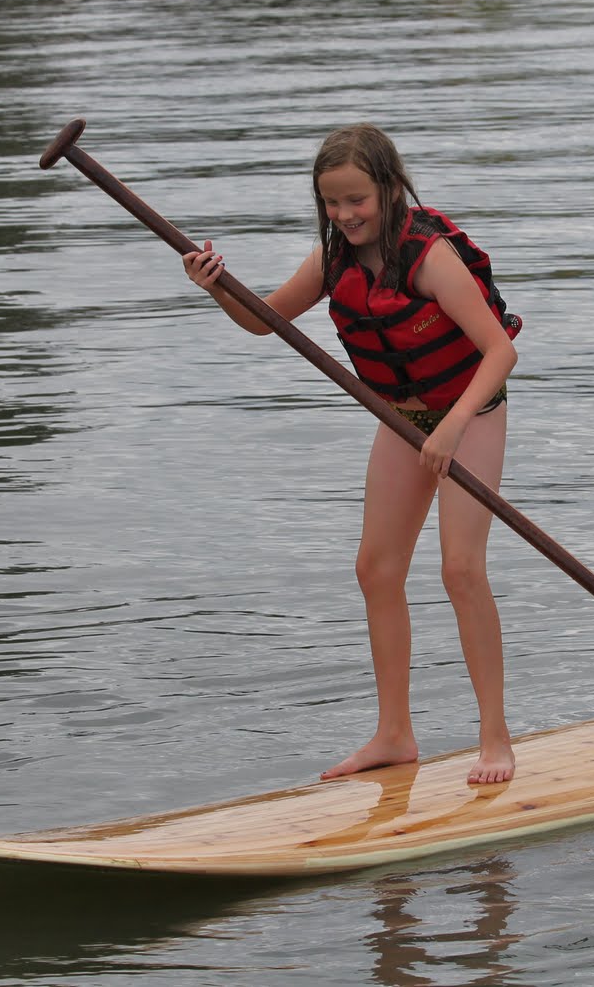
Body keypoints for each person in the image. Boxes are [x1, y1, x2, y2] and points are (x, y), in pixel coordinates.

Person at [181, 124, 522, 786]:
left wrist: (451, 427)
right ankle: (394, 734)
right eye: (331, 203)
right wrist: (216, 286)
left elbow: (499, 351)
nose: (344, 215)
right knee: (375, 568)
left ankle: (495, 739)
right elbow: (262, 320)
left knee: (460, 570)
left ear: (390, 189)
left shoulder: (429, 257)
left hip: (469, 412)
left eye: (356, 200)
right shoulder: (334, 259)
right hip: (402, 417)